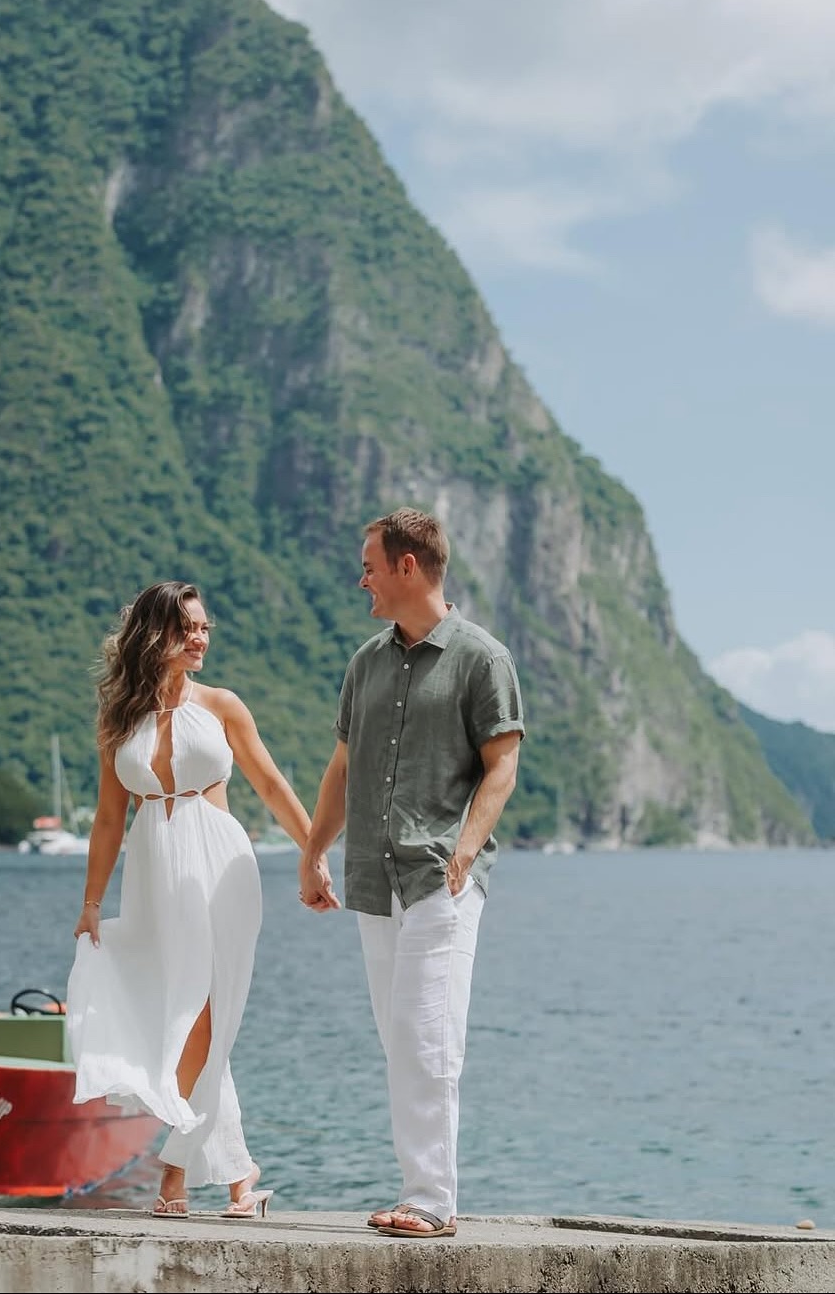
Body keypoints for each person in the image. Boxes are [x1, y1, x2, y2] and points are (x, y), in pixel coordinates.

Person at [67, 580, 337, 1219]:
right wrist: (90, 903)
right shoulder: (118, 719)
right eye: (189, 627)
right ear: (153, 633)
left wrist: (313, 853)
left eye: (206, 628)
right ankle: (242, 1178)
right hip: (153, 875)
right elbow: (109, 820)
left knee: (204, 1017)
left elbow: (270, 784)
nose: (201, 638)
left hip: (219, 867)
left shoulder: (222, 705)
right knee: (178, 1016)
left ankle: (173, 1173)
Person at [299, 508, 523, 1239]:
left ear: (407, 566)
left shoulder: (482, 658)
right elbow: (341, 768)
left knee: (428, 1037)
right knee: (401, 1039)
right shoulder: (363, 664)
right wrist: (313, 850)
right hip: (372, 876)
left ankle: (432, 1200)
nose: (360, 578)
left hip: (442, 880)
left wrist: (466, 844)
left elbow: (503, 766)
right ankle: (418, 1188)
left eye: (369, 564)